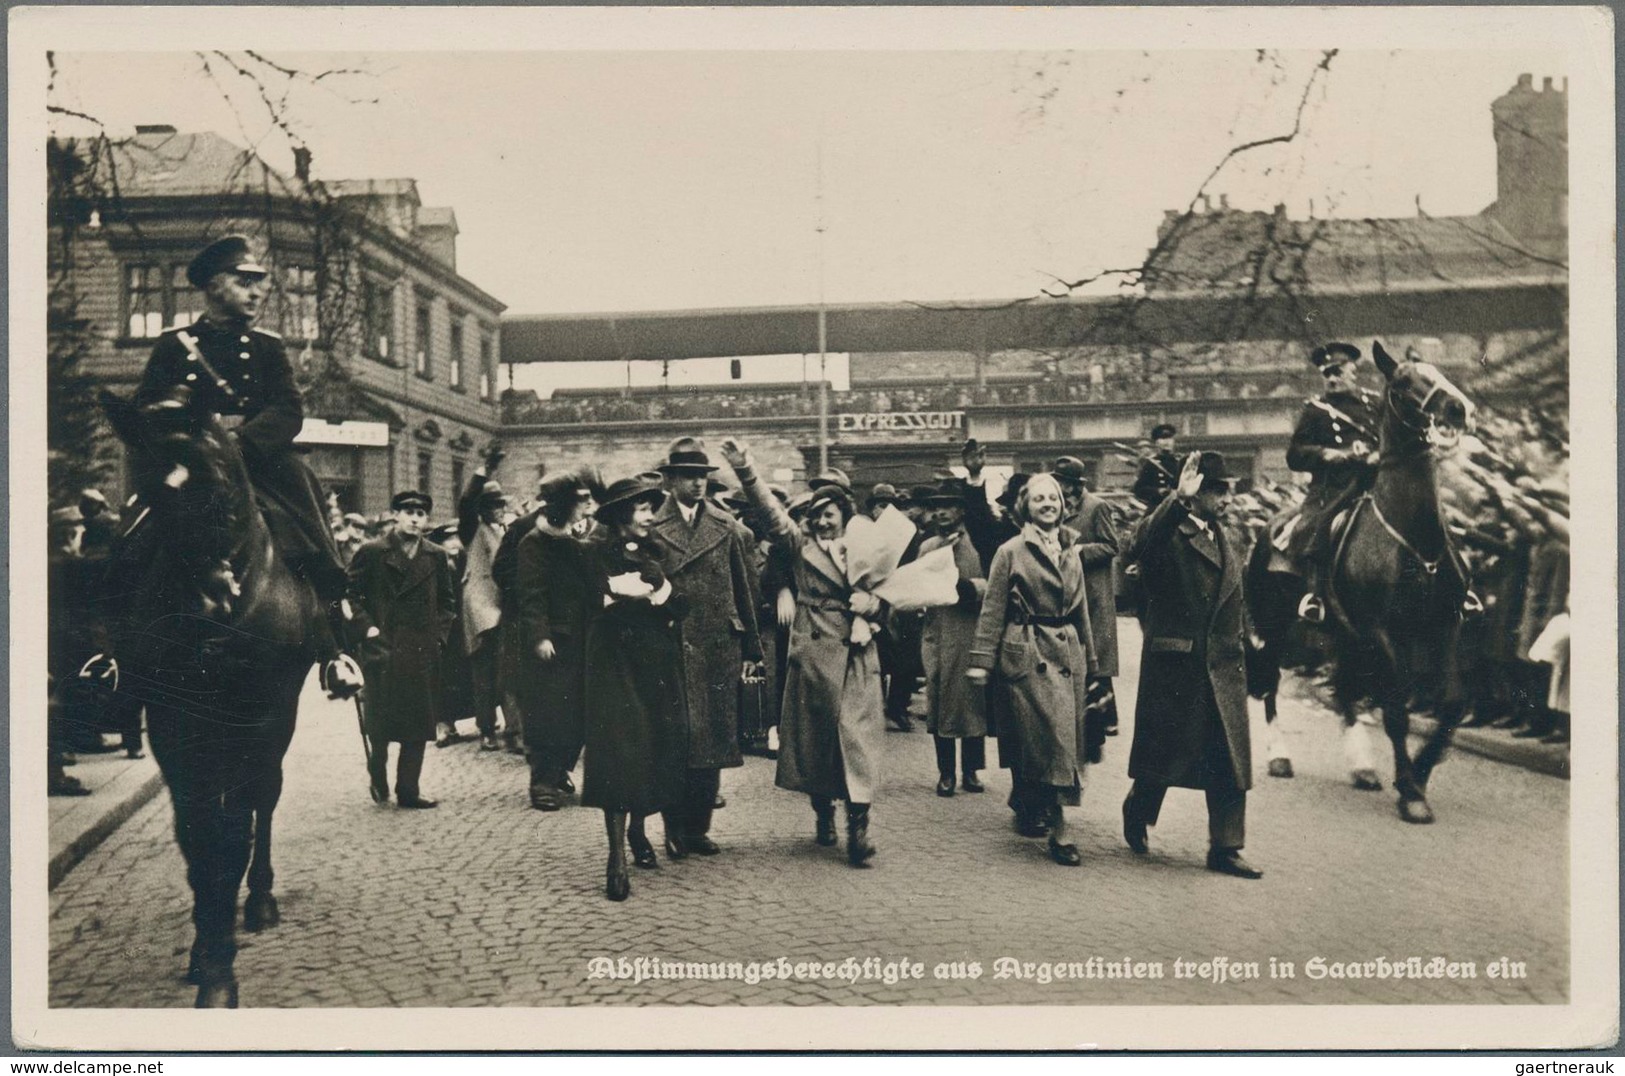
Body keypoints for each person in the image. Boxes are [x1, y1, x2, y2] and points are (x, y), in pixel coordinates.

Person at [133, 235, 346, 613]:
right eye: (243, 283)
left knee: (307, 517)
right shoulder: (174, 345)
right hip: (191, 461)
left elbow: (288, 408)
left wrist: (237, 443)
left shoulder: (267, 345)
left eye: (258, 284)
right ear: (214, 286)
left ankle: (335, 618)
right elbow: (146, 409)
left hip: (260, 462)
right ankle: (109, 645)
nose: (257, 293)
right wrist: (181, 438)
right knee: (135, 529)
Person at [722, 438, 886, 868]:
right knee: (817, 742)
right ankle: (823, 813)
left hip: (857, 655)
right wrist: (747, 470)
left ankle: (859, 828)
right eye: (816, 516)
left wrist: (873, 606)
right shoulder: (798, 546)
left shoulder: (867, 551)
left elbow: (888, 593)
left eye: (830, 514)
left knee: (857, 740)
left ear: (845, 516)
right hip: (814, 653)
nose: (823, 522)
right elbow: (771, 514)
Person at [1122, 452, 1261, 879]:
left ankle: (1225, 847)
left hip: (1223, 664)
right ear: (1195, 492)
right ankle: (1138, 809)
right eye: (1217, 489)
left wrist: (1252, 637)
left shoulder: (1230, 535)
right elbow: (1141, 546)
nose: (1225, 498)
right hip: (1178, 665)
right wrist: (1174, 500)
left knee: (1229, 759)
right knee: (1163, 757)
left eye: (1227, 489)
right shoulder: (1169, 533)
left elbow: (1237, 594)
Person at [967, 474, 1097, 865]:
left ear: (1062, 505)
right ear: (1026, 506)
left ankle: (1032, 803)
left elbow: (1082, 611)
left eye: (1053, 498)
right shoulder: (1010, 551)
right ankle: (1059, 832)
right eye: (1039, 498)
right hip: (1027, 652)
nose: (1047, 504)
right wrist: (981, 661)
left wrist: (1093, 665)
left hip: (1067, 651)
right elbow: (992, 609)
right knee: (1052, 742)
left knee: (1060, 743)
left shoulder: (1071, 548)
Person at [647, 437, 763, 858]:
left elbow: (745, 587)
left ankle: (698, 829)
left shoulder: (726, 526)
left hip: (718, 645)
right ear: (670, 481)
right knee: (676, 740)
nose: (697, 485)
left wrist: (752, 645)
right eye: (688, 477)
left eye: (702, 477)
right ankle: (673, 828)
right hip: (671, 645)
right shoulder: (652, 528)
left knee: (712, 739)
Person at [580, 476, 689, 900]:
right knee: (618, 750)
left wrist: (659, 590)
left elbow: (682, 606)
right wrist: (621, 595)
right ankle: (615, 859)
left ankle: (642, 832)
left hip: (655, 663)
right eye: (643, 509)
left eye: (650, 508)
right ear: (623, 514)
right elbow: (586, 602)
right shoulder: (592, 554)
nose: (650, 516)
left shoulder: (659, 554)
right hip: (611, 663)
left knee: (657, 744)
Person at [346, 490, 458, 810]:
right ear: (395, 515)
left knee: (418, 723)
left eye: (421, 513)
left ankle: (408, 789)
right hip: (383, 647)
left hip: (422, 650)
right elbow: (350, 596)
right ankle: (377, 769)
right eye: (408, 512)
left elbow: (447, 603)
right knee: (380, 723)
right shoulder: (372, 552)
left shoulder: (435, 555)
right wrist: (367, 629)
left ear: (426, 519)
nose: (414, 518)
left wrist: (439, 638)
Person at [1284, 343, 1382, 624]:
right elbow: (1295, 454)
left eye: (1338, 372)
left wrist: (1378, 453)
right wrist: (1328, 454)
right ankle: (1315, 595)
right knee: (1317, 526)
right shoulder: (1316, 411)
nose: (1332, 378)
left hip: (1377, 479)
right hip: (1336, 485)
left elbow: (1392, 436)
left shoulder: (1375, 403)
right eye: (1327, 373)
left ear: (1354, 371)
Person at [515, 472, 596, 810]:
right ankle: (542, 783)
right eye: (581, 501)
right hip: (551, 644)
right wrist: (540, 635)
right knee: (548, 714)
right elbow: (530, 594)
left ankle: (560, 769)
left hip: (581, 639)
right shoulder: (534, 542)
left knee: (577, 712)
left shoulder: (577, 540)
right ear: (565, 505)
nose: (587, 507)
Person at [917, 481, 989, 797]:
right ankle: (946, 772)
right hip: (939, 633)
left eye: (949, 505)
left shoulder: (979, 545)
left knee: (973, 702)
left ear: (961, 510)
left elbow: (994, 586)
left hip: (970, 631)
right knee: (941, 701)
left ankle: (971, 771)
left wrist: (970, 588)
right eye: (937, 506)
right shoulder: (928, 547)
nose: (942, 512)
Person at [1053, 456, 1122, 753]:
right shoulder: (1056, 509)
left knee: (1098, 661)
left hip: (1094, 595)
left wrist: (1078, 551)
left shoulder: (1096, 507)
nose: (1062, 488)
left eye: (1065, 483)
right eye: (1059, 482)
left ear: (1076, 485)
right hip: (1069, 594)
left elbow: (1111, 546)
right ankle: (1095, 720)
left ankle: (1106, 721)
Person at [457, 445, 510, 751]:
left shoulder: (502, 531)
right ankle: (487, 729)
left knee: (502, 669)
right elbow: (466, 501)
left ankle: (505, 726)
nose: (501, 509)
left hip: (500, 607)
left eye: (501, 504)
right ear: (484, 508)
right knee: (484, 671)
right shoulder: (472, 529)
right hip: (481, 608)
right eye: (494, 505)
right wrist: (484, 470)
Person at [1132, 424, 1181, 508]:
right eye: (1163, 438)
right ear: (1157, 443)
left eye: (1169, 438)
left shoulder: (1179, 462)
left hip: (1180, 505)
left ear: (1173, 442)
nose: (1167, 442)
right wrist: (1157, 491)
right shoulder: (1151, 464)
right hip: (1157, 506)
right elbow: (1138, 489)